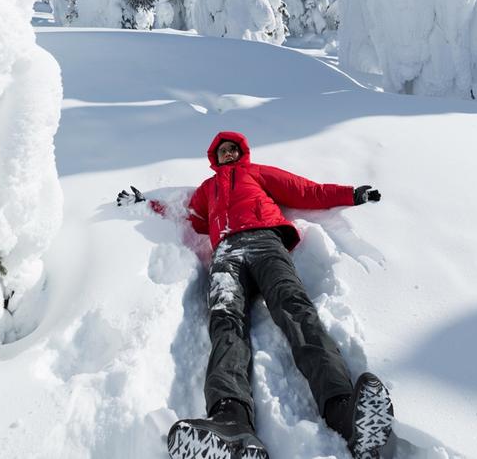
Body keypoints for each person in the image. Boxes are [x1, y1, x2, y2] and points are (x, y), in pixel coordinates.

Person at [117, 130, 393, 459]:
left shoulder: (257, 173)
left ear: (241, 152)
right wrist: (146, 204)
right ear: (215, 157)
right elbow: (186, 215)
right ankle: (230, 421)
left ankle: (343, 409)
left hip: (266, 244)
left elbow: (306, 191)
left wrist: (352, 194)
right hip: (226, 254)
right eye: (223, 150)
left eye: (233, 149)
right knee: (225, 324)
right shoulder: (207, 189)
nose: (228, 153)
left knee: (296, 310)